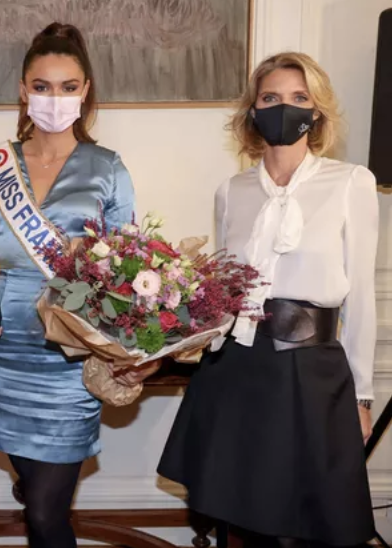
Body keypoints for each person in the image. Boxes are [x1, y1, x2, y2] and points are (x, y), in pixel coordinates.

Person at [158, 52, 378, 547]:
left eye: (299, 98)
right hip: (236, 370)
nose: (286, 107)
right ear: (252, 111)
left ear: (317, 112)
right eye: (271, 98)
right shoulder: (230, 190)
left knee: (302, 530)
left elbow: (361, 296)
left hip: (311, 374)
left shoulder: (350, 183)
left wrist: (362, 396)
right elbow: (221, 291)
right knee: (243, 519)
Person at [0, 22, 159, 548]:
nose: (55, 98)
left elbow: (126, 272)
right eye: (43, 86)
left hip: (72, 354)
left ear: (85, 91)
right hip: (9, 356)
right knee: (34, 498)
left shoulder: (107, 168)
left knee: (47, 514)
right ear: (24, 91)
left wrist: (127, 345)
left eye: (68, 87)